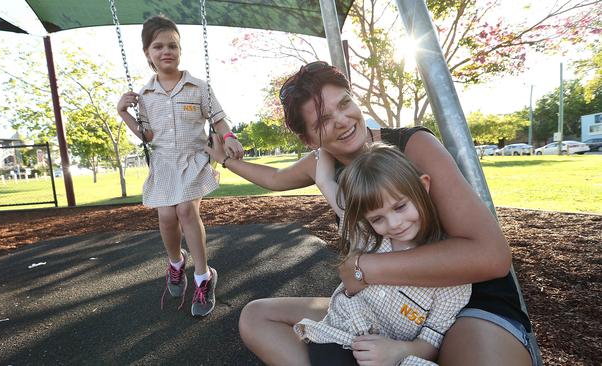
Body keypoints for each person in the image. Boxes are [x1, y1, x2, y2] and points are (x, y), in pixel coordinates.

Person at [206, 61, 536, 365]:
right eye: (323, 121)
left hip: (465, 301)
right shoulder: (323, 164)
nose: (342, 121)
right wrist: (227, 160)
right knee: (256, 317)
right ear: (309, 139)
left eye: (344, 103)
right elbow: (275, 178)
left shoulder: (412, 146)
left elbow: (491, 256)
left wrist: (365, 267)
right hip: (386, 303)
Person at [294, 144, 471, 366]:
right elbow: (327, 183)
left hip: (393, 355)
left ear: (423, 186)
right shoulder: (365, 235)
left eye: (400, 207)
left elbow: (431, 340)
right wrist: (326, 146)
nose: (395, 223)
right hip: (340, 340)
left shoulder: (451, 276)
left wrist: (398, 351)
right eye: (378, 218)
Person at [117, 16, 243, 317]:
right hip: (163, 163)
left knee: (186, 210)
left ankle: (203, 276)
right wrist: (124, 113)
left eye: (172, 45)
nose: (166, 51)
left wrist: (227, 136)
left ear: (180, 49)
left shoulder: (198, 87)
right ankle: (176, 263)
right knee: (166, 217)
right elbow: (147, 136)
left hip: (193, 159)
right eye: (158, 46)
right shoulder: (144, 95)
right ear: (147, 53)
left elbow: (217, 119)